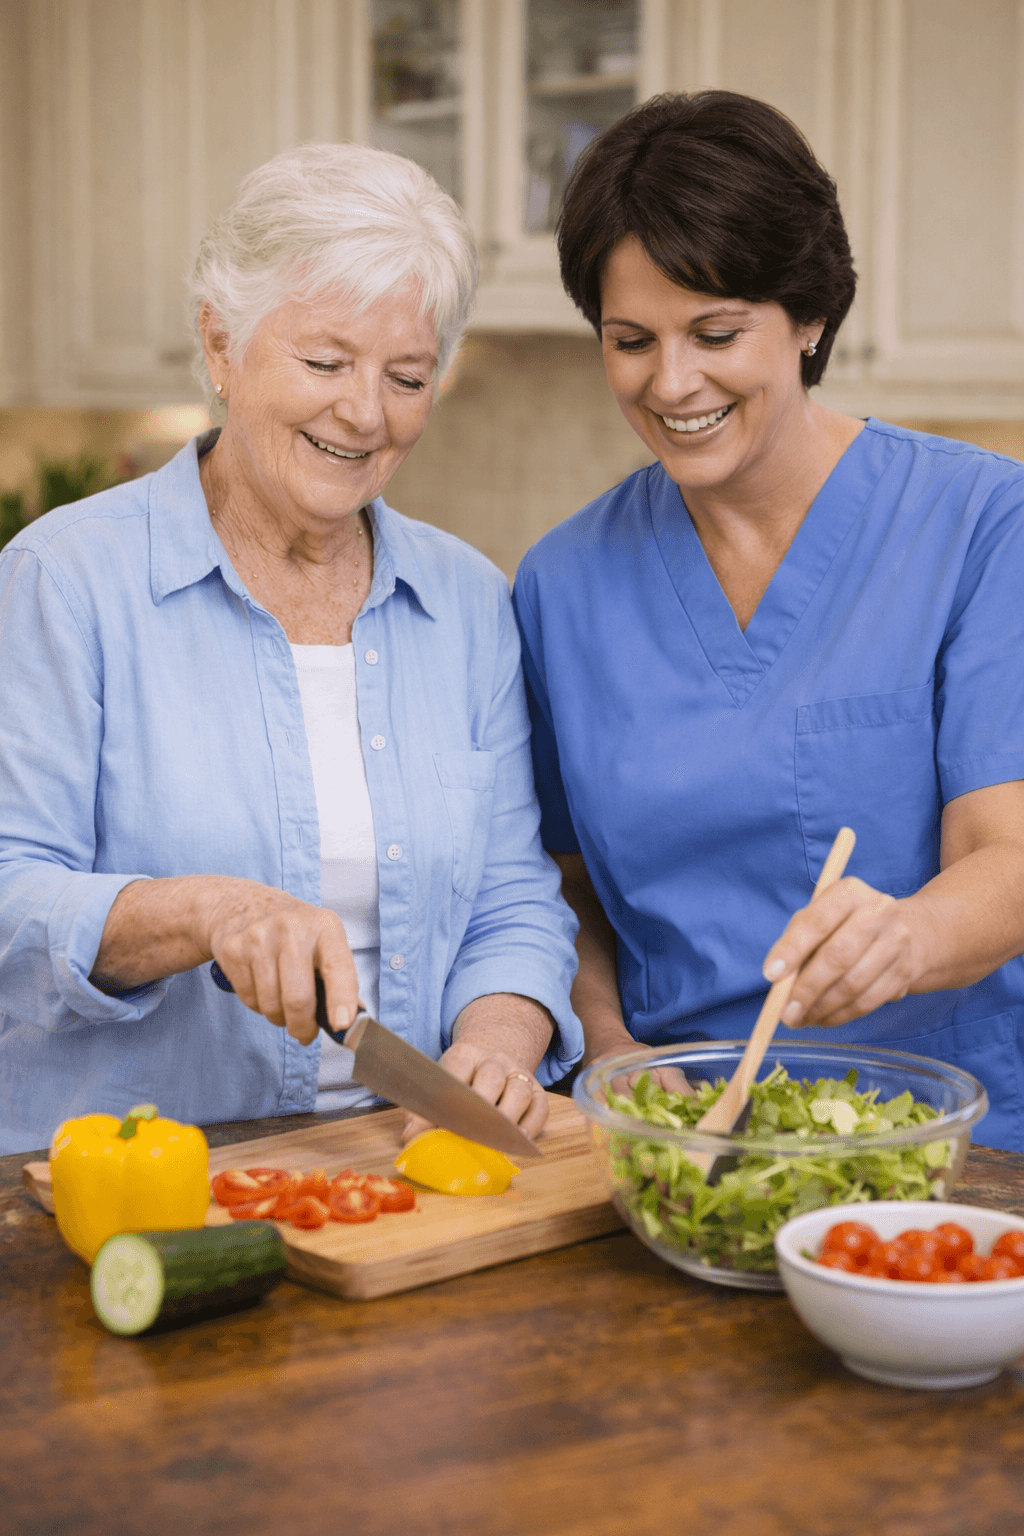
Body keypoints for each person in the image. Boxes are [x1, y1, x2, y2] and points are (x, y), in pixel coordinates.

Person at [0, 142, 582, 1156]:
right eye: (324, 362)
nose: (365, 412)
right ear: (220, 346)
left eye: (407, 375)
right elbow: (10, 896)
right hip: (131, 1181)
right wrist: (207, 912)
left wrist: (498, 1040)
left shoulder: (468, 602)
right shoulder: (65, 580)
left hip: (396, 1174)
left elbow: (511, 894)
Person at [512, 92, 1024, 1151]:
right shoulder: (560, 585)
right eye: (629, 340)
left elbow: (1005, 854)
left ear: (808, 317)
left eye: (714, 332)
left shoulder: (981, 524)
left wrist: (905, 936)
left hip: (949, 1146)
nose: (672, 382)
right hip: (678, 1148)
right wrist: (609, 1052)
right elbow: (559, 888)